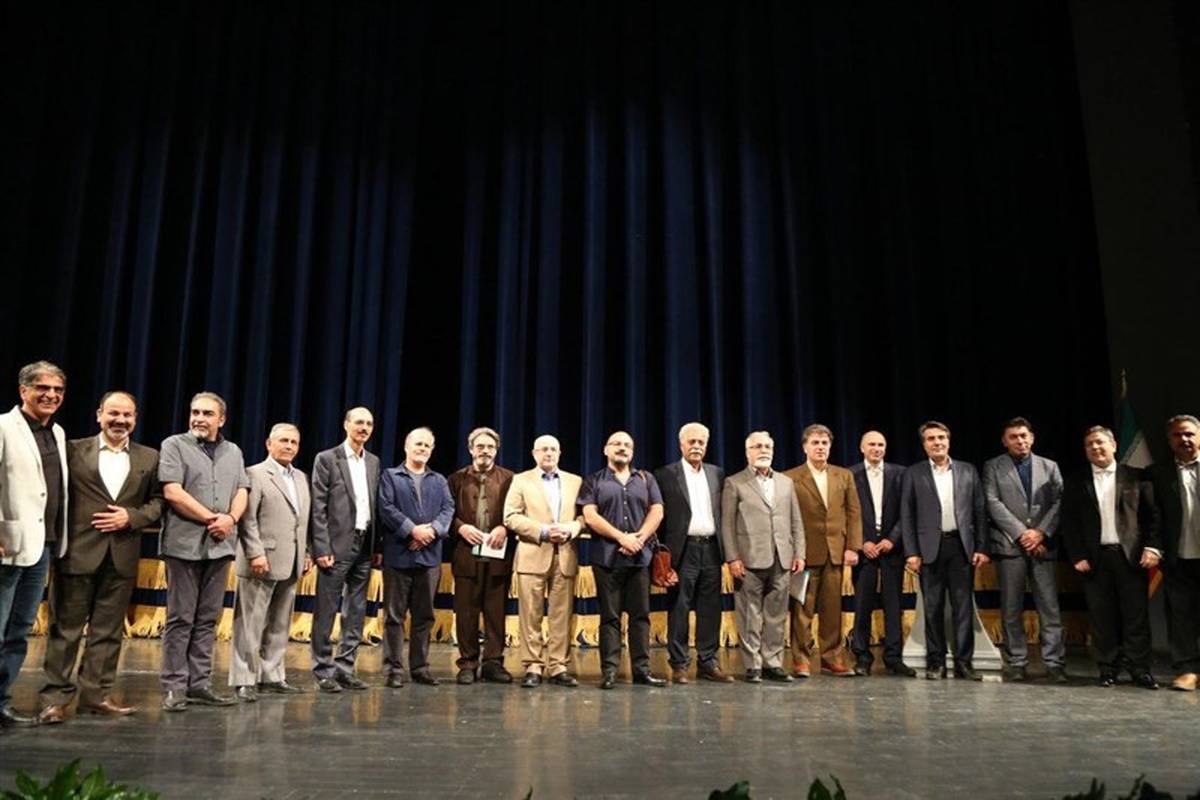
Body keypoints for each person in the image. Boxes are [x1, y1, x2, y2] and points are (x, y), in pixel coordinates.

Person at [39, 391, 162, 724]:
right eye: (113, 413)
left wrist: (131, 517)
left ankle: (96, 696)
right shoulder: (72, 450)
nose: (120, 420)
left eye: (127, 415)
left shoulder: (149, 457)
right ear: (99, 415)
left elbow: (158, 502)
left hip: (121, 555)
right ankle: (55, 700)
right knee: (65, 631)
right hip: (77, 553)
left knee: (108, 632)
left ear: (135, 418)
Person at [158, 392, 249, 710]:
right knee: (181, 618)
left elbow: (242, 490)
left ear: (221, 419)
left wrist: (230, 519)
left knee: (208, 618)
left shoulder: (233, 451)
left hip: (220, 547)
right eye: (195, 412)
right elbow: (173, 492)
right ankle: (174, 685)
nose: (199, 418)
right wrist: (213, 519)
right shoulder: (174, 445)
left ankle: (199, 683)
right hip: (183, 545)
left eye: (207, 413)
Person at [1061, 426, 1161, 689]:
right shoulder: (1076, 481)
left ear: (1114, 445)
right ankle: (1108, 668)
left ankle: (1140, 669)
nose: (1095, 448)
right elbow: (1069, 522)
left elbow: (1152, 517)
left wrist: (1152, 547)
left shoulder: (1137, 477)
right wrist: (1078, 555)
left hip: (1131, 556)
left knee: (1136, 616)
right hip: (1095, 559)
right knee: (1102, 617)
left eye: (1100, 442)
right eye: (1089, 444)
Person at [0, 361, 69, 728]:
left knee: (19, 629)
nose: (51, 395)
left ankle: (2, 699)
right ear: (23, 390)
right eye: (43, 388)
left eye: (57, 390)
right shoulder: (3, 427)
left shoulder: (56, 432)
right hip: (7, 543)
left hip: (40, 545)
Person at [900, 421, 989, 681]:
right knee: (933, 608)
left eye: (941, 437)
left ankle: (964, 663)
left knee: (963, 607)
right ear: (924, 444)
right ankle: (936, 662)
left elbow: (979, 511)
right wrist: (911, 552)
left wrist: (982, 547)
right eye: (931, 439)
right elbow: (907, 515)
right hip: (929, 549)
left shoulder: (967, 470)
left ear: (948, 441)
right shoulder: (914, 473)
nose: (937, 442)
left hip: (961, 547)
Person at [229, 424, 311, 702]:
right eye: (283, 440)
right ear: (269, 443)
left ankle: (272, 675)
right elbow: (247, 518)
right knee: (249, 624)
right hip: (261, 560)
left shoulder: (300, 477)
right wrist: (255, 553)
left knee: (279, 623)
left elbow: (302, 521)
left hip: (291, 560)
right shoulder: (255, 474)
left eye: (294, 442)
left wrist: (306, 552)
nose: (289, 446)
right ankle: (244, 679)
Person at [982, 417, 1067, 683]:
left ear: (1032, 438)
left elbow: (1059, 502)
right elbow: (992, 502)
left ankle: (1054, 662)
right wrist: (1022, 533)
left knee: (1049, 606)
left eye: (1023, 436)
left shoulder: (1050, 466)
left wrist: (1040, 533)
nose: (1020, 441)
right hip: (1010, 546)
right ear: (1004, 441)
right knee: (1011, 607)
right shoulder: (993, 467)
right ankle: (1017, 661)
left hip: (1043, 545)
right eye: (1013, 437)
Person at [580, 431, 666, 689]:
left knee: (641, 616)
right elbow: (590, 516)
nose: (622, 448)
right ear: (606, 450)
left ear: (633, 451)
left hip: (640, 558)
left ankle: (642, 671)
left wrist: (639, 538)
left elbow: (657, 511)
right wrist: (622, 538)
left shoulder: (646, 479)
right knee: (610, 617)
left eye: (627, 444)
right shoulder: (593, 480)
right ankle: (609, 672)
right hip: (607, 559)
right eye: (616, 444)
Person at [720, 431, 805, 683]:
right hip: (749, 559)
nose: (763, 450)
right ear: (748, 452)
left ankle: (773, 663)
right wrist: (733, 558)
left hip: (782, 557)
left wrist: (799, 553)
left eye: (767, 446)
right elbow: (727, 524)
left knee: (776, 614)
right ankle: (753, 665)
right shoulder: (735, 482)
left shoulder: (785, 482)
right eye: (757, 446)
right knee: (750, 614)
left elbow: (796, 521)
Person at [503, 435, 584, 688]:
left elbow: (584, 517)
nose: (548, 453)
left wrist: (571, 529)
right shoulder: (521, 480)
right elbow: (510, 516)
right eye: (543, 449)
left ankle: (558, 665)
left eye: (553, 449)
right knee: (531, 614)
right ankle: (533, 665)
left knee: (561, 614)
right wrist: (544, 531)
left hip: (565, 555)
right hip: (532, 553)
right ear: (534, 453)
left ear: (559, 453)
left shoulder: (575, 481)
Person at [653, 422, 731, 684]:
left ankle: (708, 662)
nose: (696, 446)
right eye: (692, 442)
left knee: (711, 607)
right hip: (682, 550)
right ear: (681, 445)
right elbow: (659, 518)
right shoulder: (665, 474)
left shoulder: (717, 473)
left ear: (706, 446)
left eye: (701, 442)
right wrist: (662, 557)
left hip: (711, 548)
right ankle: (679, 663)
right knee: (680, 607)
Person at [377, 427, 454, 687]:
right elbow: (386, 508)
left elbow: (448, 509)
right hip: (398, 556)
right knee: (394, 616)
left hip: (430, 558)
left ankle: (420, 668)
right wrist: (412, 530)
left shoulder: (439, 480)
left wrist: (431, 531)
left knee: (424, 616)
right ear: (406, 446)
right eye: (418, 444)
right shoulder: (390, 476)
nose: (422, 448)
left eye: (427, 445)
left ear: (431, 450)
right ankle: (393, 670)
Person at [309, 407, 380, 693]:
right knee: (326, 610)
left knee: (356, 610)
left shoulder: (373, 461)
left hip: (364, 545)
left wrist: (376, 545)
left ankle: (345, 668)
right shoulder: (327, 458)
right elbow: (318, 506)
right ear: (346, 424)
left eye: (369, 424)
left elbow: (373, 505)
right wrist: (321, 547)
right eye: (359, 422)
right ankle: (323, 670)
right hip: (335, 547)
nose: (364, 428)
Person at [784, 424, 861, 677]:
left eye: (824, 443)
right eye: (815, 443)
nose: (820, 447)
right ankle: (801, 660)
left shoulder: (843, 475)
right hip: (804, 555)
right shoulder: (790, 478)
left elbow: (853, 512)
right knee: (802, 610)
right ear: (805, 447)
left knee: (832, 610)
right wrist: (793, 551)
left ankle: (831, 658)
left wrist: (852, 547)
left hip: (835, 552)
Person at [446, 427, 515, 684]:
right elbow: (445, 512)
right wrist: (460, 528)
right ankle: (468, 663)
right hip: (466, 554)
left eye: (490, 447)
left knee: (496, 612)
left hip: (498, 555)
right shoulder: (456, 479)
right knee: (466, 612)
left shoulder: (510, 479)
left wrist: (505, 528)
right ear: (470, 449)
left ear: (496, 450)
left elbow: (518, 510)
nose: (485, 451)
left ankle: (493, 663)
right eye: (480, 446)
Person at [848, 431, 914, 677]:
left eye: (881, 444)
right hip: (864, 550)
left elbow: (906, 511)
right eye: (872, 444)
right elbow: (848, 513)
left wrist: (892, 539)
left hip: (891, 549)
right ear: (862, 448)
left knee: (893, 605)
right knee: (862, 604)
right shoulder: (850, 474)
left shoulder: (901, 473)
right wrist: (862, 541)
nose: (876, 448)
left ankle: (893, 657)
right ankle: (862, 656)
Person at [1152, 414, 1200, 692]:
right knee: (1181, 616)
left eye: (1189, 434)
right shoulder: (1158, 474)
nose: (1184, 439)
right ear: (1169, 441)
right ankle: (1187, 670)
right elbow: (1153, 516)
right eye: (1178, 435)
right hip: (1177, 557)